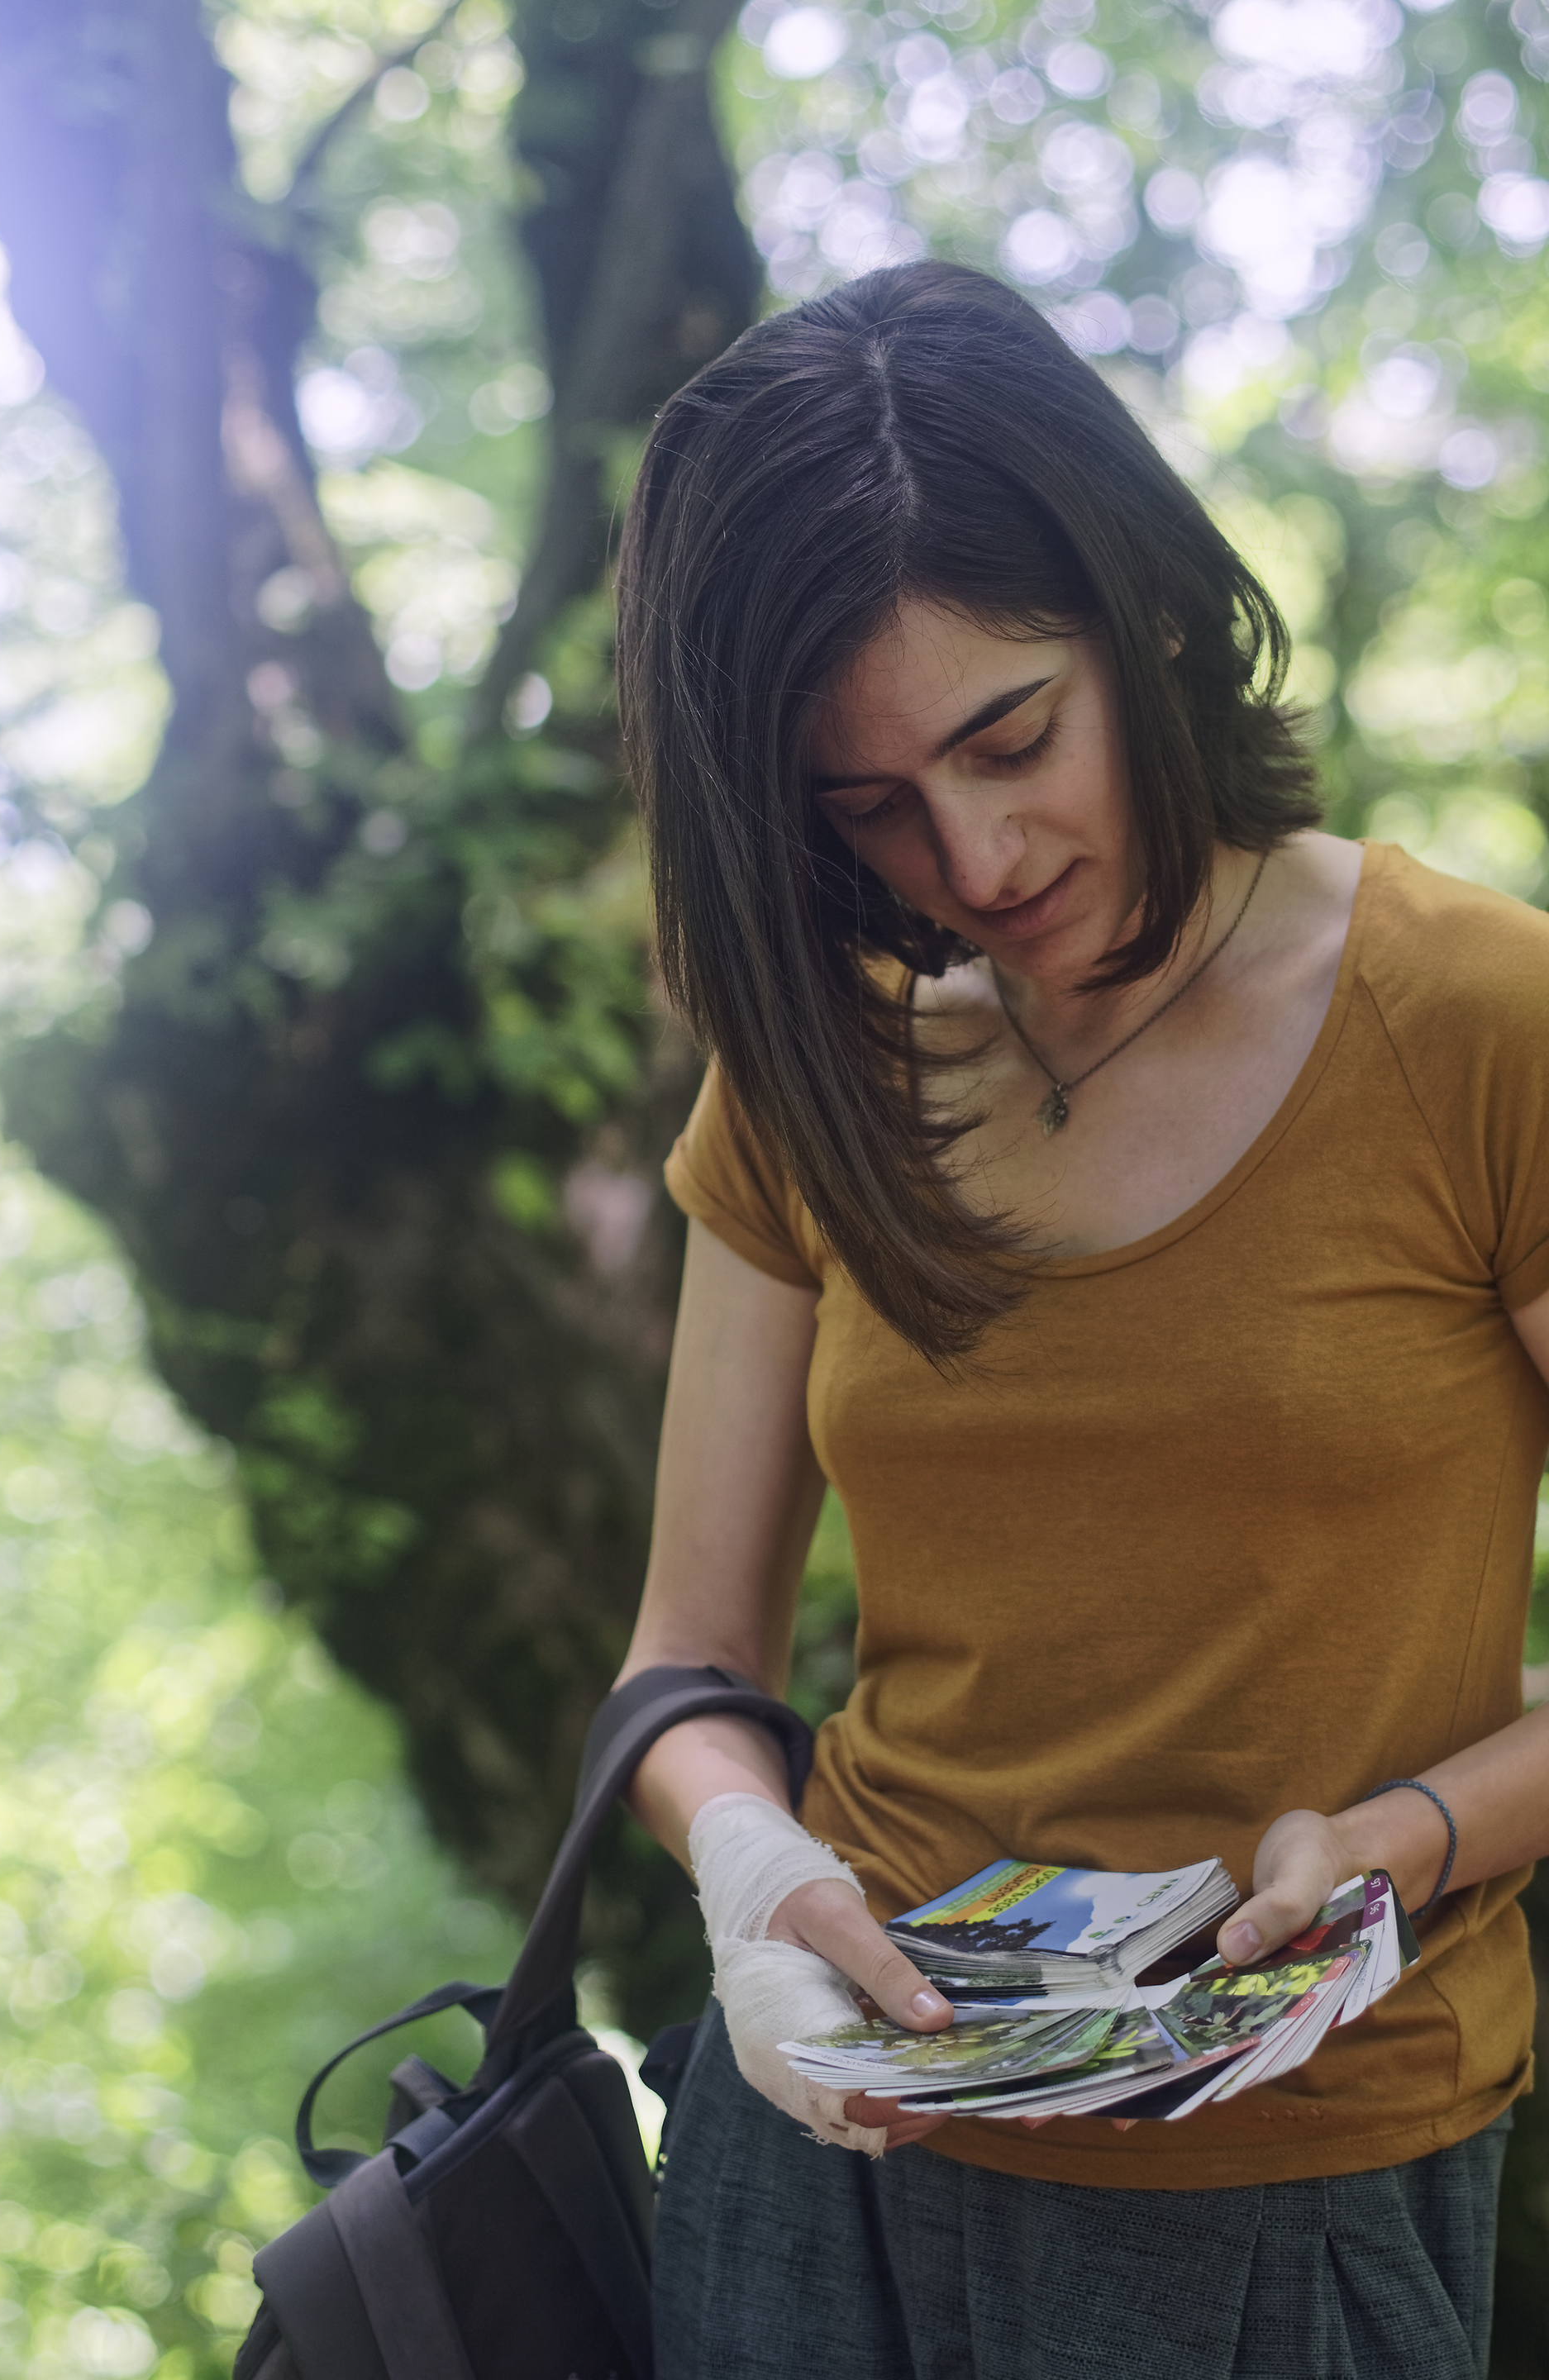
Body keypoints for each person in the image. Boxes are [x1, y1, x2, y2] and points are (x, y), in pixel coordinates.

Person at [609, 261, 1549, 2378]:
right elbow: (684, 1664)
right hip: (821, 2148)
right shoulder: (811, 1064)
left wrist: (1404, 1840)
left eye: (1008, 736)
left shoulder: (1481, 1021)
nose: (974, 854)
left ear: (1146, 619)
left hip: (1277, 2183)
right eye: (866, 806)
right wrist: (755, 1882)